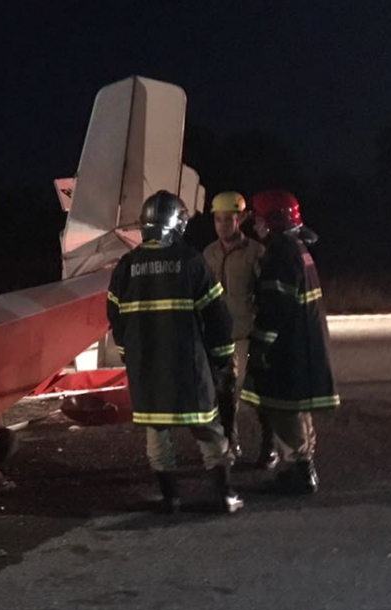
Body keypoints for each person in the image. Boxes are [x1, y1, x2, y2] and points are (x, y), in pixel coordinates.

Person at [107, 191, 242, 514]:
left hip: (147, 368)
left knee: (157, 432)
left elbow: (115, 317)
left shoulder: (127, 265)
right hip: (189, 365)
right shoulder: (191, 261)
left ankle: (170, 498)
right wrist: (223, 357)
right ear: (177, 223)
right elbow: (216, 315)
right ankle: (224, 495)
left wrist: (130, 354)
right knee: (207, 429)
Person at [241, 190, 339, 494]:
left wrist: (260, 346)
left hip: (289, 348)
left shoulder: (281, 253)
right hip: (303, 343)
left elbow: (274, 307)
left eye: (258, 218)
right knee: (297, 409)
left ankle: (300, 472)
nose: (255, 224)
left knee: (285, 409)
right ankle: (302, 464)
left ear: (274, 221)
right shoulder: (297, 247)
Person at [202, 191, 277, 468]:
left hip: (247, 334)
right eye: (218, 219)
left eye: (228, 219)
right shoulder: (208, 254)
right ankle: (229, 445)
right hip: (219, 337)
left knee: (254, 394)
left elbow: (268, 294)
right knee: (224, 394)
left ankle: (269, 446)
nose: (222, 225)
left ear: (241, 219)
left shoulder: (256, 252)